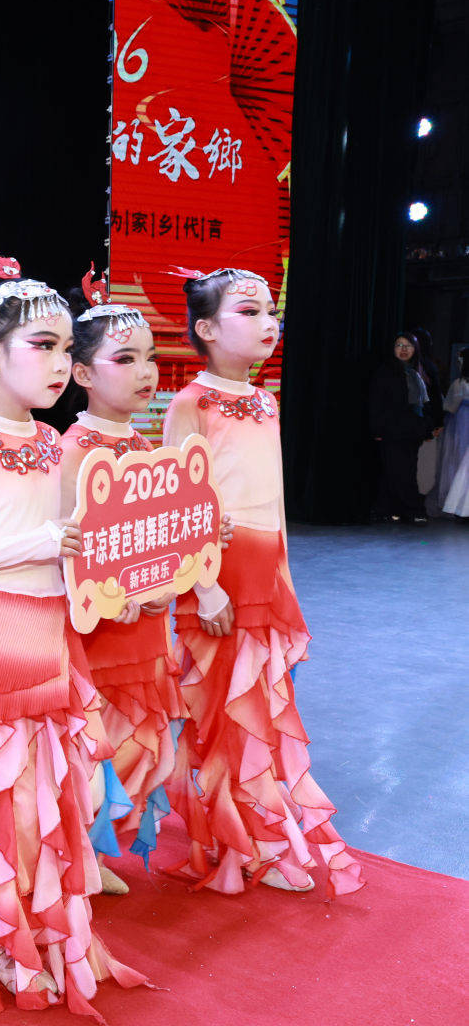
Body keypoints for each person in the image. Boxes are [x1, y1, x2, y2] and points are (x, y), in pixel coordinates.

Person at [0, 248, 146, 1017]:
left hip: (48, 629)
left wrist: (111, 585)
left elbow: (70, 545)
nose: (57, 363)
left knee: (49, 791)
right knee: (4, 796)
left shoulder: (51, 441)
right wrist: (38, 545)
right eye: (41, 346)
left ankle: (36, 936)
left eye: (63, 348)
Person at [163, 265, 364, 897]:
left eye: (270, 312)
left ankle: (258, 837)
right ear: (205, 329)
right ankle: (244, 844)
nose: (268, 324)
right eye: (248, 313)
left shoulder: (265, 400)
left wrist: (285, 579)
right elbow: (181, 505)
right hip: (219, 577)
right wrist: (204, 588)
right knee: (227, 715)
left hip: (264, 571)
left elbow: (273, 502)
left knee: (262, 715)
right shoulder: (191, 404)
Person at [57, 270, 182, 889]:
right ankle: (74, 850)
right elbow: (68, 551)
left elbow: (159, 539)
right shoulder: (74, 450)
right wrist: (114, 593)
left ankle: (96, 850)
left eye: (150, 358)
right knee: (98, 739)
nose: (145, 372)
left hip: (145, 626)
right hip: (100, 632)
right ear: (82, 373)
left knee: (140, 739)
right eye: (125, 359)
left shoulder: (144, 445)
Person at [370, 332, 432, 523]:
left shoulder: (419, 371)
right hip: (392, 429)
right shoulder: (385, 372)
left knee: (405, 470)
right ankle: (411, 510)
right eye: (399, 345)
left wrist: (427, 426)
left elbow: (427, 403)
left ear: (415, 349)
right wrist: (377, 429)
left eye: (408, 346)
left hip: (412, 429)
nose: (403, 349)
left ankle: (389, 509)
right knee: (397, 470)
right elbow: (376, 402)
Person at [437, 348, 469, 520]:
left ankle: (459, 505)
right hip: (461, 420)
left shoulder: (460, 383)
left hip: (461, 422)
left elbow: (450, 405)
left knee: (458, 460)